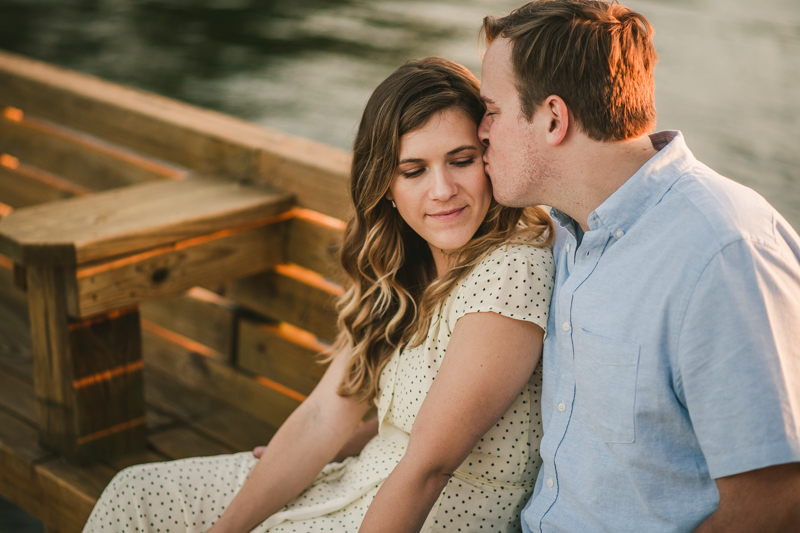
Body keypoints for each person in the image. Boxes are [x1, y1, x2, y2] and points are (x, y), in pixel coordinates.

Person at [82, 57, 556, 533]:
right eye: (412, 170)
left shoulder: (511, 268)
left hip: (424, 514)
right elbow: (324, 414)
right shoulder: (406, 268)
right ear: (386, 186)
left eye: (461, 160)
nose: (442, 190)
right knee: (136, 494)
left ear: (489, 157)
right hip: (359, 478)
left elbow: (428, 469)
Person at [477, 1, 800, 532]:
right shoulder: (561, 231)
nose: (481, 130)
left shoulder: (723, 252)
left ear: (554, 118)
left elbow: (778, 499)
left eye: (492, 108)